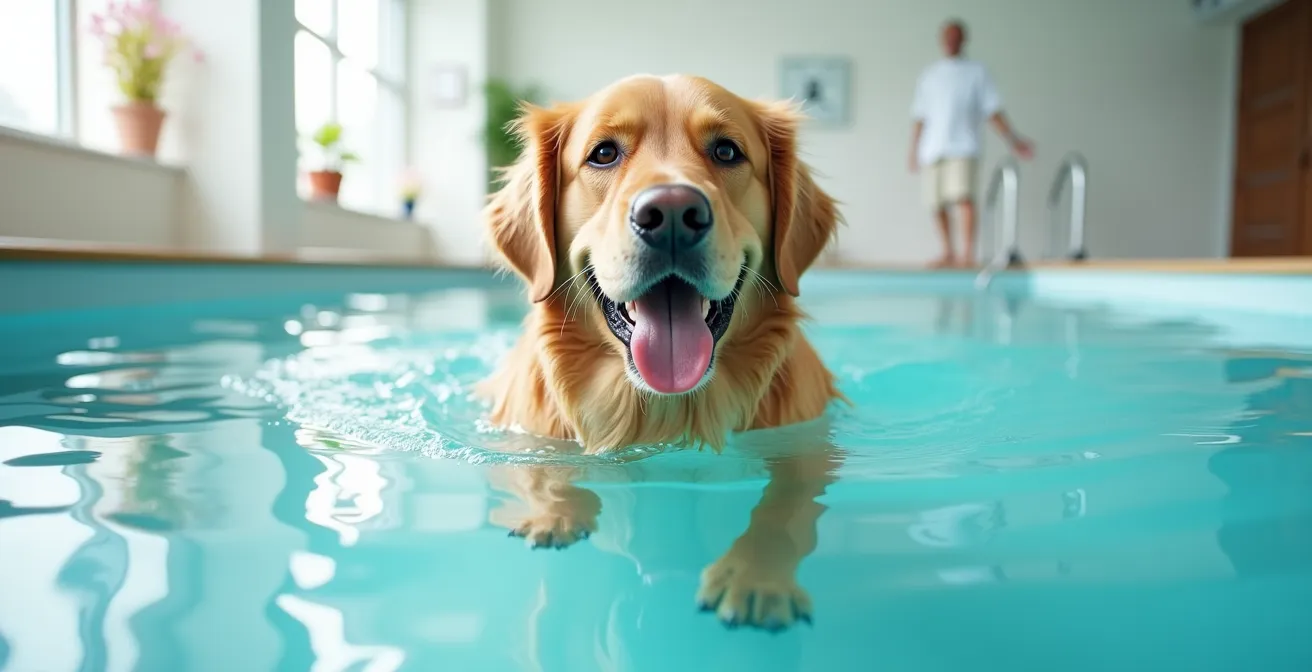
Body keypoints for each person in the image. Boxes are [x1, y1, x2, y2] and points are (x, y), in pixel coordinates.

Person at [909, 19, 1034, 268]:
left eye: (956, 36)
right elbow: (920, 116)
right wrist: (913, 150)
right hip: (933, 149)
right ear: (941, 39)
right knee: (936, 203)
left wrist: (1013, 139)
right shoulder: (930, 75)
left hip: (963, 147)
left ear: (964, 39)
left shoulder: (977, 72)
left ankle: (967, 255)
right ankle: (948, 252)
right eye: (947, 36)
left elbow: (992, 110)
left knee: (963, 198)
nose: (951, 41)